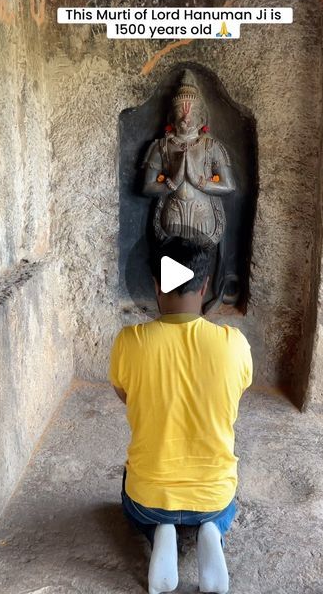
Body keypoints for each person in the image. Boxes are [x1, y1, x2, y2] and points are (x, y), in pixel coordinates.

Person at [108, 238, 253, 594]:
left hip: (149, 499)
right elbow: (234, 395)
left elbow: (127, 396)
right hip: (212, 496)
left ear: (157, 285)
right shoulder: (234, 344)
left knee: (132, 496)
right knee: (224, 504)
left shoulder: (130, 341)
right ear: (204, 287)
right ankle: (211, 532)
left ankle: (161, 532)